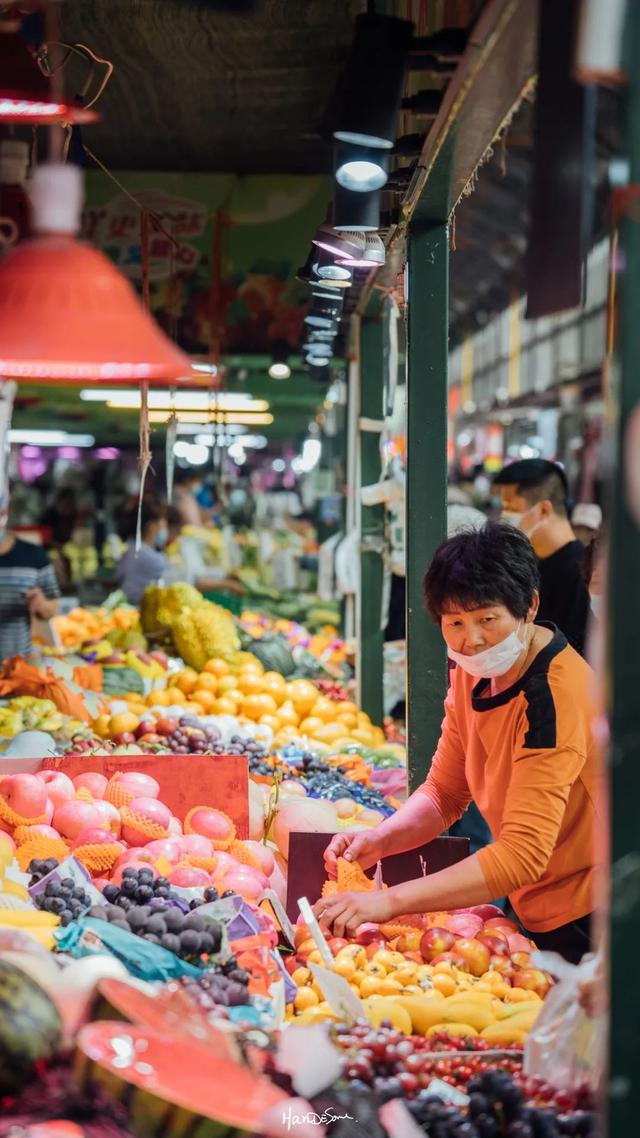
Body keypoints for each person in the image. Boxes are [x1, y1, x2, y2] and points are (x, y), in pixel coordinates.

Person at [315, 524, 600, 964]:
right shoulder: (471, 666)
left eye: (488, 619)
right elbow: (445, 792)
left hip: (587, 911)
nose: (473, 639)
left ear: (529, 607)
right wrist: (381, 839)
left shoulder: (553, 699)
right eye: (455, 623)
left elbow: (521, 857)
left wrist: (387, 903)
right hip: (534, 901)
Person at [493, 458, 591, 656]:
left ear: (544, 510)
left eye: (511, 506)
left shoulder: (580, 572)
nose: (504, 515)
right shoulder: (529, 562)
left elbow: (574, 652)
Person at [0, 500, 60, 662]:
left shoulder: (34, 556)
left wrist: (41, 604)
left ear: (4, 513)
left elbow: (51, 607)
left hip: (18, 667)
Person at [117, 503, 168, 606]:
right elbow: (176, 578)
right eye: (162, 525)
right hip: (137, 609)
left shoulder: (133, 549)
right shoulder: (145, 555)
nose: (165, 530)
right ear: (152, 526)